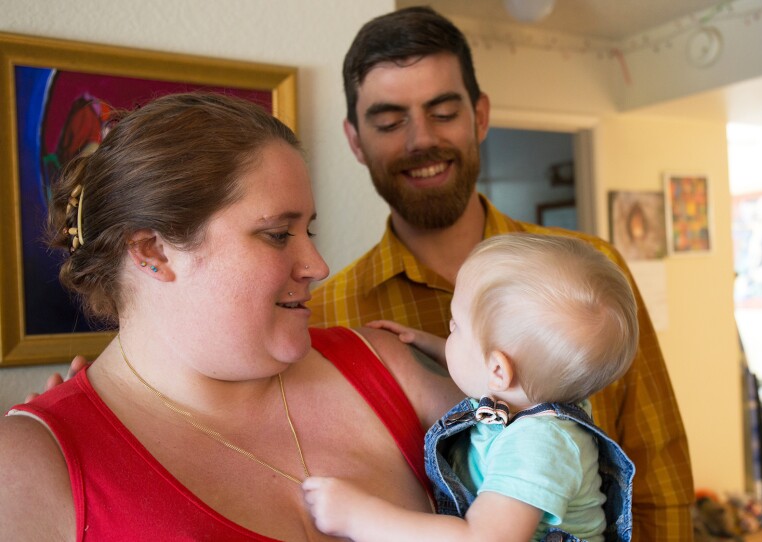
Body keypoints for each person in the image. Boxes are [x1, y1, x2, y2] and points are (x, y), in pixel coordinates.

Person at [0, 92, 462, 540]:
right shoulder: (34, 463)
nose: (318, 266)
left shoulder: (384, 363)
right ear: (153, 251)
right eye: (279, 234)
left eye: (309, 229)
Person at [309, 6, 695, 540]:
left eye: (443, 112)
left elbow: (659, 478)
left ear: (480, 116)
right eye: (390, 120)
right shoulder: (325, 314)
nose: (420, 139)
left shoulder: (593, 280)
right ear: (355, 139)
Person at [304, 233, 638, 542]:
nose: (448, 330)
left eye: (456, 327)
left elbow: (480, 538)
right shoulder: (535, 391)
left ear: (497, 370)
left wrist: (359, 517)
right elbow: (487, 373)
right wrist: (428, 343)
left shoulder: (539, 445)